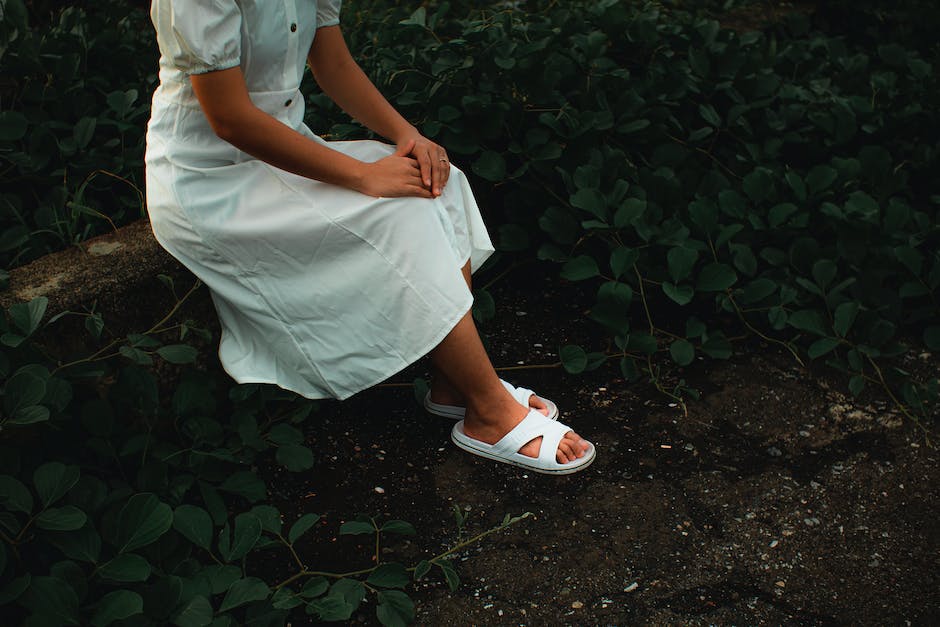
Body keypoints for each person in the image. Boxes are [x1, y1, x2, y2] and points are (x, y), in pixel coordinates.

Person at [145, 0, 595, 474]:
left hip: (288, 153)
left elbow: (333, 62)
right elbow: (231, 118)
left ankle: (451, 383)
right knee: (395, 214)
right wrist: (363, 177)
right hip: (209, 181)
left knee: (436, 183)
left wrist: (408, 136)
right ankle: (488, 410)